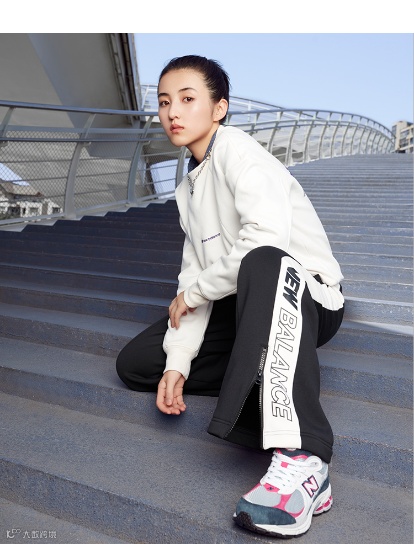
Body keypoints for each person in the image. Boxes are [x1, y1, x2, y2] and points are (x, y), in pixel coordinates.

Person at [116, 55, 345, 538]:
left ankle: (306, 459)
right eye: (164, 102)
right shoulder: (189, 188)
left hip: (304, 294)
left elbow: (268, 240)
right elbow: (193, 275)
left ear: (219, 108)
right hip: (247, 303)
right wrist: (179, 361)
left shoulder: (240, 152)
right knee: (138, 363)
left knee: (262, 258)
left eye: (187, 99)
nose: (172, 112)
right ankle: (263, 370)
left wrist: (197, 291)